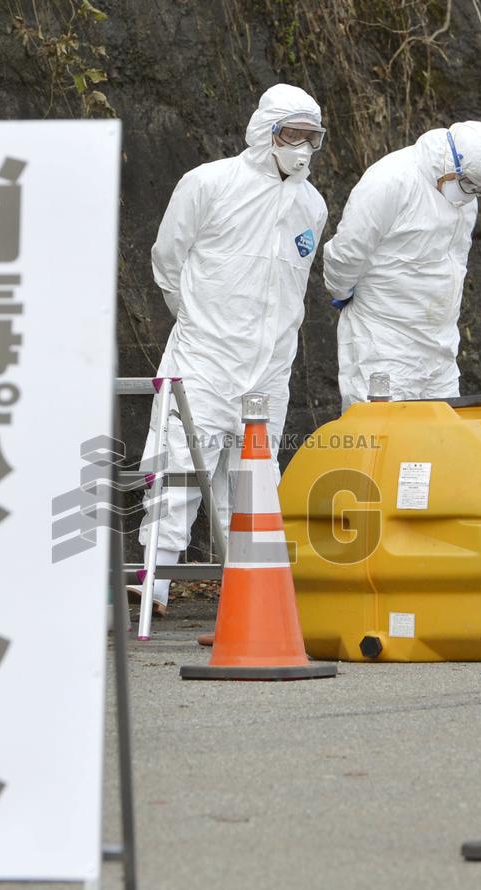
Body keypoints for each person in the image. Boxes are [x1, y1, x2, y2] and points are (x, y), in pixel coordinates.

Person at [131, 83, 329, 615]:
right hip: (205, 357)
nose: (303, 148)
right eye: (293, 135)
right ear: (265, 133)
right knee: (176, 465)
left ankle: (252, 594)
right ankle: (155, 583)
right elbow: (167, 262)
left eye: (313, 138)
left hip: (269, 368)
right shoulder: (209, 184)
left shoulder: (311, 205)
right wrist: (199, 323)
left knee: (254, 480)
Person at [323, 121, 481, 408]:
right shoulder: (391, 180)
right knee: (381, 441)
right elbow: (347, 250)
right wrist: (341, 291)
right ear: (450, 160)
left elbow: (455, 263)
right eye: (469, 183)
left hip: (440, 348)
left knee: (440, 443)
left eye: (479, 189)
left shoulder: (466, 197)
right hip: (385, 343)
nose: (471, 193)